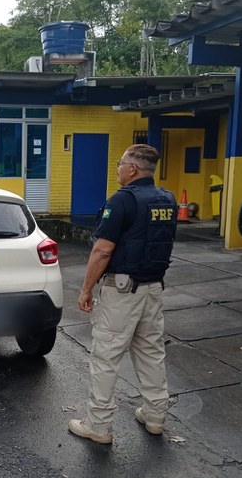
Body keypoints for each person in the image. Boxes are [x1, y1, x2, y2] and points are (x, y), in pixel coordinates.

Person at [68, 144, 178, 445]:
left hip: (122, 291)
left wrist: (87, 289)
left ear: (132, 169)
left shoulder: (122, 201)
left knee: (106, 355)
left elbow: (103, 250)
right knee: (151, 352)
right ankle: (155, 416)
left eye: (120, 164)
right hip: (153, 288)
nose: (117, 169)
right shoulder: (167, 200)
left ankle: (98, 425)